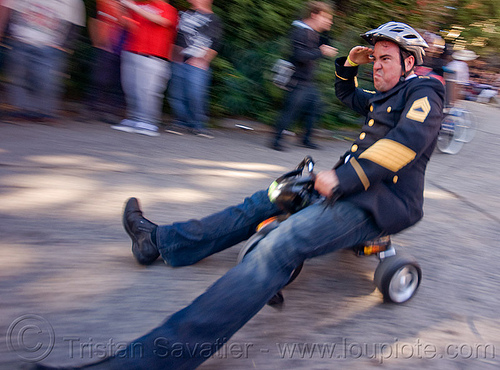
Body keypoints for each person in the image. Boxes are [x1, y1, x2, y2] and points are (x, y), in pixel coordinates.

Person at [40, 22, 445, 369]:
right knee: (264, 199)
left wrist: (343, 179)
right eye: (374, 58)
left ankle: (149, 359)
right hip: (346, 185)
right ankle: (159, 242)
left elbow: (404, 146)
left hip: (378, 204)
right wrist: (350, 64)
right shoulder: (386, 94)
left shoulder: (426, 91)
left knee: (276, 246)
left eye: (384, 58)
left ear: (410, 61)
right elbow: (346, 96)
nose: (376, 65)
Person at [0, 0, 85, 123]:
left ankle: (45, 110)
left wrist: (66, 45)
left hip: (50, 43)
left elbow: (74, 22)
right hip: (21, 38)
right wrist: (8, 33)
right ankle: (23, 108)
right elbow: (10, 8)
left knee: (46, 79)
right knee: (18, 76)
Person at [270, 1, 338, 151]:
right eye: (326, 17)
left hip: (306, 81)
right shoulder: (301, 31)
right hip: (296, 80)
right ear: (314, 15)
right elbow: (299, 55)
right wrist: (322, 52)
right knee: (290, 110)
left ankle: (306, 138)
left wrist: (322, 47)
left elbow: (312, 52)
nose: (329, 21)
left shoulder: (312, 32)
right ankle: (276, 140)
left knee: (314, 108)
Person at [111, 0, 178, 137]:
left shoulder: (168, 8)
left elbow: (161, 21)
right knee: (131, 88)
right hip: (131, 51)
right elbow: (126, 24)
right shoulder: (139, 4)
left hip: (153, 56)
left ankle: (148, 122)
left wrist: (132, 6)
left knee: (147, 92)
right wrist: (122, 9)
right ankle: (134, 118)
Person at [165, 0, 223, 139]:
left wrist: (204, 60)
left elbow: (216, 43)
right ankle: (180, 122)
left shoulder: (214, 19)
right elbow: (177, 37)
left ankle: (199, 125)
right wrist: (172, 56)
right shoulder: (184, 14)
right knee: (176, 94)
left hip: (197, 63)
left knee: (195, 94)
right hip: (179, 60)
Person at [83, 0, 127, 124]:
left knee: (118, 83)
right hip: (106, 47)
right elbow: (93, 20)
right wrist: (97, 42)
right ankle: (91, 108)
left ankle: (111, 111)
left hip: (125, 50)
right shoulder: (104, 2)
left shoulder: (132, 6)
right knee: (98, 80)